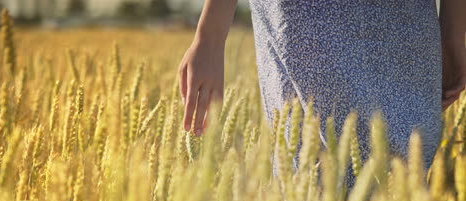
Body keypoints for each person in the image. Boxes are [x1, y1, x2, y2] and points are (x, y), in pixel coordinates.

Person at [177, 0, 465, 188]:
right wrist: (210, 34)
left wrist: (454, 30)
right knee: (313, 171)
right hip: (309, 14)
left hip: (405, 18)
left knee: (407, 176)